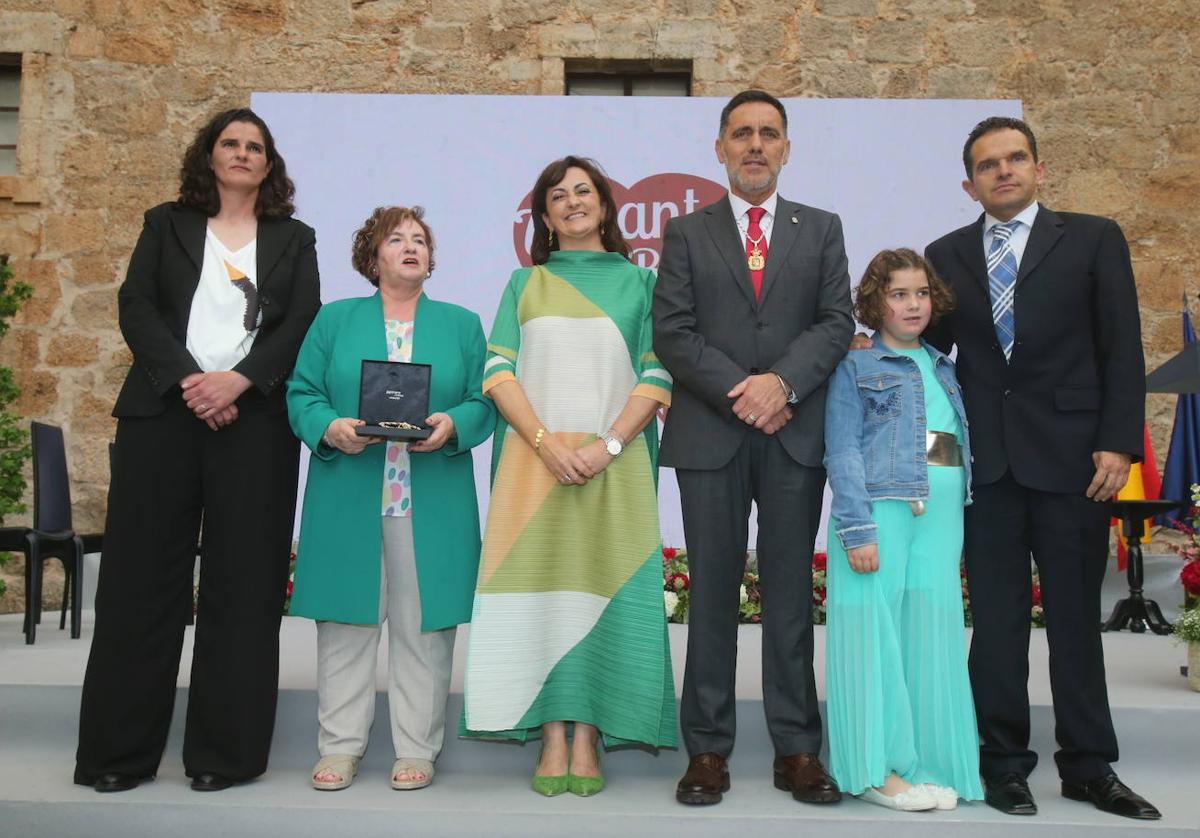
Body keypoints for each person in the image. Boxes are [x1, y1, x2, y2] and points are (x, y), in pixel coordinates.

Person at [74, 108, 321, 793]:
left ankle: (225, 755)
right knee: (139, 585)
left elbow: (302, 319)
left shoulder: (294, 239)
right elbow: (136, 306)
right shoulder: (166, 224)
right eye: (230, 144)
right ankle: (117, 756)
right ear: (208, 157)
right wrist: (191, 380)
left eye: (255, 147)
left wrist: (239, 380)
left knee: (243, 588)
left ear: (269, 165)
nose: (242, 154)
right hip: (163, 416)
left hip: (257, 424)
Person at [924, 115, 1159, 820]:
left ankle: (1089, 767)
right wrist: (937, 454)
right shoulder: (945, 254)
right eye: (989, 164)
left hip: (1075, 465)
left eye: (1016, 158)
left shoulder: (1092, 239)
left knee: (1074, 624)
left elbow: (1122, 348)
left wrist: (1119, 444)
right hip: (985, 468)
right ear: (969, 182)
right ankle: (1002, 766)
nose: (1004, 170)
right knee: (996, 627)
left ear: (1038, 167)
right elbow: (927, 361)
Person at [653, 89, 853, 806]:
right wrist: (747, 391)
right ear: (720, 148)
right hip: (713, 434)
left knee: (792, 595)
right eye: (742, 134)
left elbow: (836, 323)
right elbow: (672, 333)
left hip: (796, 435)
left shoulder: (821, 228)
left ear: (787, 148)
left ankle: (797, 748)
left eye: (769, 133)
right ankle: (706, 750)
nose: (756, 145)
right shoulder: (686, 231)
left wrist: (783, 387)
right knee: (709, 594)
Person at [461, 156, 676, 797]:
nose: (573, 201)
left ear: (605, 207)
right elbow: (498, 373)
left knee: (605, 597)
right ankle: (552, 732)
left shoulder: (643, 285)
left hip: (619, 468)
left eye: (584, 191)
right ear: (545, 216)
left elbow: (658, 375)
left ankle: (591, 734)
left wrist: (607, 445)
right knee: (543, 599)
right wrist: (548, 445)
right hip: (533, 469)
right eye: (559, 195)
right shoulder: (523, 284)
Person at [286, 206, 494, 791]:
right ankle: (340, 747)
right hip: (351, 493)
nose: (411, 247)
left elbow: (485, 399)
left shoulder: (461, 324)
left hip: (432, 501)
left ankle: (417, 749)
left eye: (421, 240)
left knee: (424, 631)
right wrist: (328, 427)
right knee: (346, 627)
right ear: (371, 255)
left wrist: (454, 424)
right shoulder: (334, 320)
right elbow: (302, 391)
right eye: (396, 239)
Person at [824, 249, 983, 812]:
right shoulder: (855, 366)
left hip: (943, 514)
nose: (912, 304)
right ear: (874, 303)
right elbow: (842, 449)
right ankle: (875, 768)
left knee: (933, 631)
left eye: (920, 293)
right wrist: (855, 526)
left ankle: (930, 764)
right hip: (881, 509)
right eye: (898, 294)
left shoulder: (945, 366)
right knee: (875, 633)